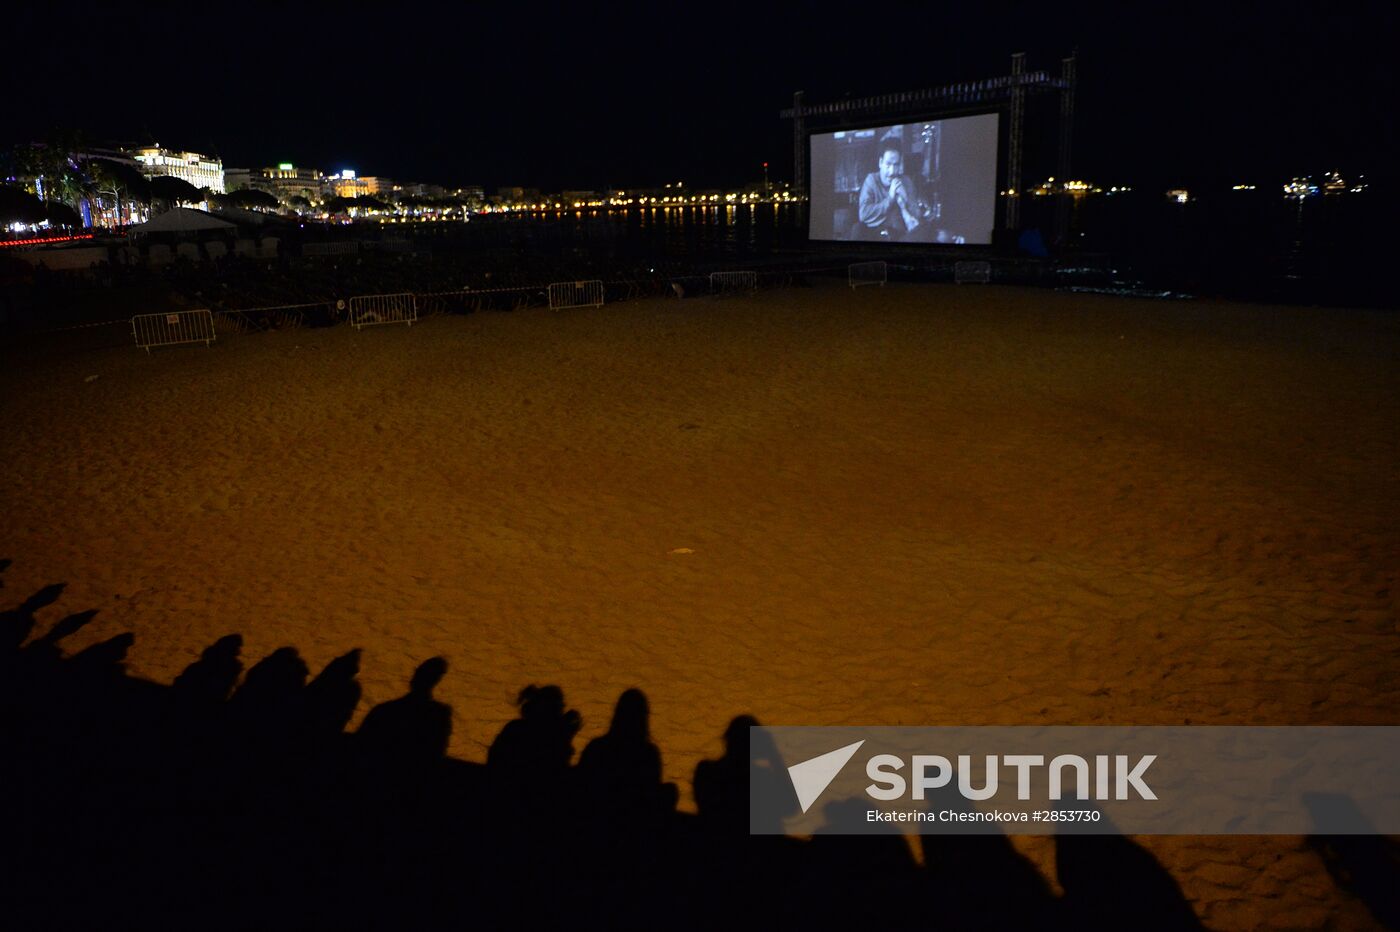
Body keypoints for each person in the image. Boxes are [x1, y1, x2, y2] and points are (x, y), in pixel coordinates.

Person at [857, 141, 930, 241]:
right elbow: (863, 215)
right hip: (878, 235)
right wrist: (890, 199)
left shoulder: (906, 181)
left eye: (896, 165)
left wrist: (906, 199)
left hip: (904, 235)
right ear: (880, 163)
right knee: (857, 230)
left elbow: (917, 217)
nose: (892, 171)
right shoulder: (871, 180)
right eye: (888, 164)